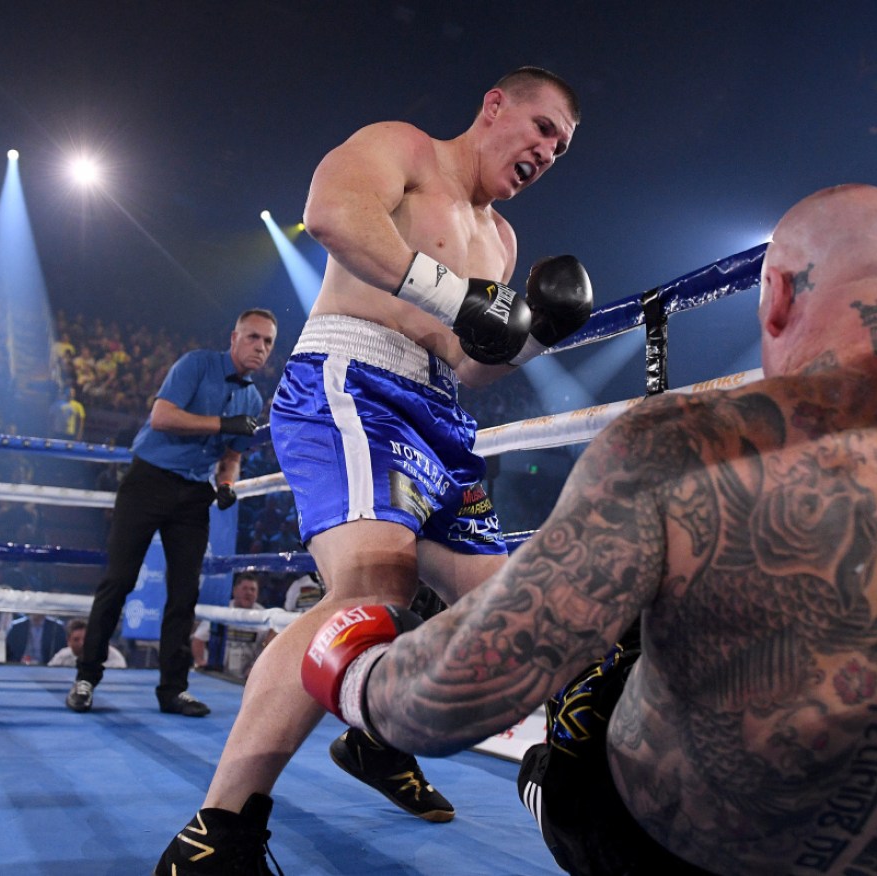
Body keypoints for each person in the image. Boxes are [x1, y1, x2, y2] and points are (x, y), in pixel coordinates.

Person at [296, 184, 877, 875]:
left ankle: (545, 780)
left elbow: (466, 695)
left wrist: (353, 670)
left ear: (774, 298)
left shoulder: (678, 448)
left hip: (668, 852)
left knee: (618, 635)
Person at [155, 66, 589, 872]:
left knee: (516, 611)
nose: (546, 151)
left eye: (558, 148)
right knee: (370, 590)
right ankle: (216, 835)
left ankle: (376, 741)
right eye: (541, 127)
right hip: (354, 382)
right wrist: (455, 296)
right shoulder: (406, 150)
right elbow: (331, 215)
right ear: (494, 105)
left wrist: (535, 335)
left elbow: (469, 360)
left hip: (441, 417)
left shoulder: (500, 240)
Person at [67, 308, 277, 717]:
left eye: (268, 342)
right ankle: (86, 677)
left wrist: (228, 485)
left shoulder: (252, 398)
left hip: (194, 493)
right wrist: (221, 423)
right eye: (253, 337)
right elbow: (162, 417)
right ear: (233, 338)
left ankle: (173, 690)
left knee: (185, 594)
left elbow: (232, 456)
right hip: (149, 481)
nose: (261, 348)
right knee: (119, 580)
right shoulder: (196, 364)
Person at [192, 572, 269, 680]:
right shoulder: (222, 611)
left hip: (248, 676)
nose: (249, 593)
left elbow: (269, 645)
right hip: (220, 674)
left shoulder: (264, 616)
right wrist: (201, 661)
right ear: (235, 591)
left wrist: (256, 667)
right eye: (245, 588)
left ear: (257, 594)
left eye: (253, 589)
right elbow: (198, 639)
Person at [49, 618, 127, 669]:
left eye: (85, 639)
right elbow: (49, 674)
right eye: (76, 640)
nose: (82, 643)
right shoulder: (62, 656)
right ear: (69, 641)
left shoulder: (112, 657)